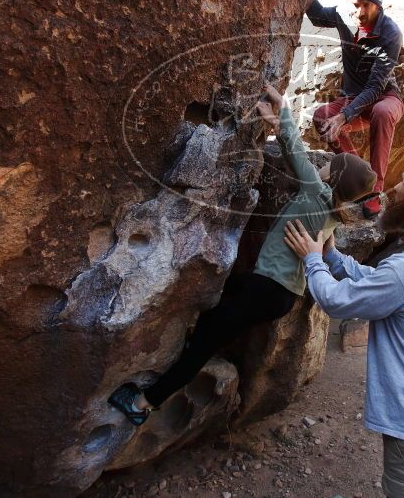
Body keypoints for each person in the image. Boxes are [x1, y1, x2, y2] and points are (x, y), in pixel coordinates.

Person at [107, 84, 378, 425]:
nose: (322, 166)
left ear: (333, 177)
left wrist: (283, 114)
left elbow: (295, 154)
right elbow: (326, 250)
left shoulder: (316, 194)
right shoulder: (332, 215)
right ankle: (192, 351)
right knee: (215, 321)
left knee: (202, 345)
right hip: (280, 295)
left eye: (330, 166)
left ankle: (142, 404)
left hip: (266, 288)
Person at [284, 160, 404, 498]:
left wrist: (311, 259)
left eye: (402, 185)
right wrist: (334, 257)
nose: (391, 191)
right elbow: (381, 284)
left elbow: (338, 301)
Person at [307, 0, 404, 219]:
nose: (360, 12)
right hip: (353, 98)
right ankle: (361, 175)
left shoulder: (390, 34)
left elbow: (374, 88)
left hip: (385, 97)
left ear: (378, 5)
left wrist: (344, 117)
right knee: (321, 117)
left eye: (367, 6)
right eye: (356, 4)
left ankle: (374, 190)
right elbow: (317, 15)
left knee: (382, 113)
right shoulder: (343, 14)